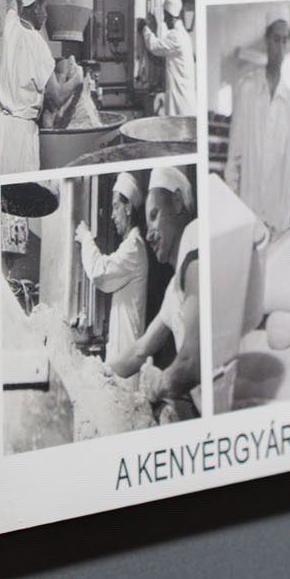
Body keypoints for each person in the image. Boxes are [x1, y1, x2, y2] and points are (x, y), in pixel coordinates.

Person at [107, 165, 200, 422]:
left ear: (178, 202)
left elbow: (192, 363)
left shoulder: (195, 236)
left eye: (155, 216)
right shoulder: (174, 289)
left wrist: (158, 384)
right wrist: (97, 373)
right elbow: (139, 350)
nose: (149, 235)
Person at [224, 8, 290, 233]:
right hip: (248, 212)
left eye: (284, 41)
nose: (280, 48)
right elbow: (234, 156)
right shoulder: (247, 89)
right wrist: (231, 208)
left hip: (278, 217)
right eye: (276, 40)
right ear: (266, 40)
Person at [77, 172, 149, 360]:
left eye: (116, 207)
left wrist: (85, 238)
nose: (112, 215)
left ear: (128, 208)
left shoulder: (134, 247)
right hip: (122, 354)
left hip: (128, 357)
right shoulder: (130, 246)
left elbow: (100, 272)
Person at [0, 0, 57, 173]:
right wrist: (77, 80)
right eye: (45, 8)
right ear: (36, 7)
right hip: (22, 134)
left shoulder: (11, 26)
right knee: (21, 188)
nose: (46, 14)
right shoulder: (39, 45)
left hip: (2, 129)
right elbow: (57, 96)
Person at [140, 0, 196, 117]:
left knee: (179, 125)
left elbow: (154, 47)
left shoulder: (176, 37)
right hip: (182, 97)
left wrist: (145, 29)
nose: (164, 21)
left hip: (182, 101)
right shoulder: (182, 35)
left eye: (165, 16)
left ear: (171, 16)